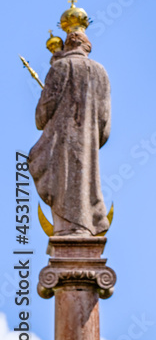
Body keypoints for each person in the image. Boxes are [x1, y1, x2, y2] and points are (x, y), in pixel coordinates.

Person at [28, 26, 111, 236]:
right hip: (88, 146)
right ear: (87, 47)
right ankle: (87, 225)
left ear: (67, 46)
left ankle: (67, 229)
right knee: (85, 184)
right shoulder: (100, 72)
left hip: (61, 145)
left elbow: (42, 116)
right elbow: (105, 124)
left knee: (61, 184)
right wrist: (90, 139)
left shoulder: (59, 67)